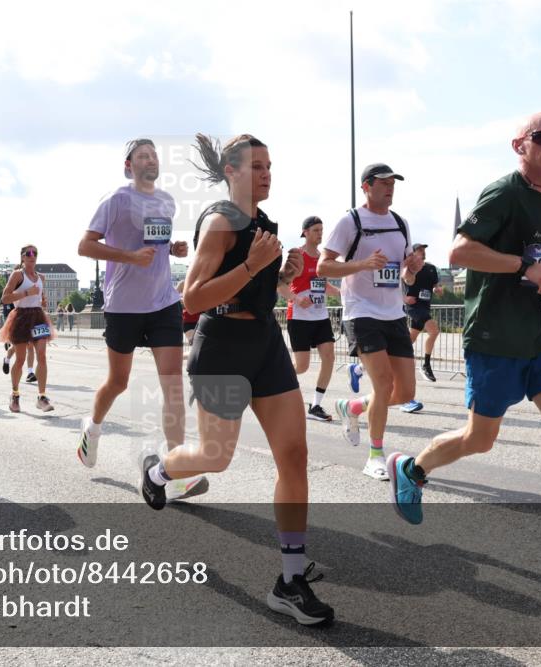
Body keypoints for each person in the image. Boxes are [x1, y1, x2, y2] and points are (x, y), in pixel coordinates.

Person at [387, 112, 541, 588]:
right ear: (519, 145)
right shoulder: (504, 192)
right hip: (495, 339)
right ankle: (413, 468)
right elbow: (460, 253)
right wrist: (525, 266)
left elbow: (530, 270)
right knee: (480, 439)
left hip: (537, 338)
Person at [140, 133, 333, 626]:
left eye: (271, 166)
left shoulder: (263, 222)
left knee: (294, 454)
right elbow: (193, 298)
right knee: (215, 458)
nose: (267, 174)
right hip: (222, 348)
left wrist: (283, 274)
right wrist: (253, 265)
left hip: (265, 344)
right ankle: (158, 472)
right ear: (231, 171)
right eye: (258, 167)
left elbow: (258, 289)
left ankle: (290, 579)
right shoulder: (222, 222)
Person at [76, 138, 207, 501]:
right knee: (118, 382)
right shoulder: (115, 200)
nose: (150, 159)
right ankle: (93, 426)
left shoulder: (166, 201)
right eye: (142, 156)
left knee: (173, 386)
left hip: (164, 302)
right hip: (123, 306)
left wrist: (175, 248)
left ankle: (175, 469)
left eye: (154, 155)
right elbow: (85, 246)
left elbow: (158, 244)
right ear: (128, 166)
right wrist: (129, 257)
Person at [318, 163, 423, 481]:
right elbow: (324, 267)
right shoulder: (350, 221)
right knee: (383, 384)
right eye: (383, 183)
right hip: (361, 312)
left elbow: (405, 273)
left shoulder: (400, 223)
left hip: (394, 315)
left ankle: (352, 408)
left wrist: (413, 268)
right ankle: (375, 456)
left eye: (393, 183)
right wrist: (363, 264)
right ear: (366, 186)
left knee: (404, 393)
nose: (390, 188)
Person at [282, 216, 342, 422]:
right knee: (302, 366)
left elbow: (323, 285)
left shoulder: (323, 258)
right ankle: (272, 379)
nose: (320, 234)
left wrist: (343, 293)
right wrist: (296, 299)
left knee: (329, 356)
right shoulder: (297, 255)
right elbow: (280, 285)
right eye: (316, 230)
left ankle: (315, 405)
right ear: (305, 232)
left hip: (320, 316)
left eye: (321, 230)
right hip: (299, 316)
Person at [0, 245, 55, 413]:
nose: (32, 256)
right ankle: (15, 394)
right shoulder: (18, 275)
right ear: (22, 257)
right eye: (28, 253)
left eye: (35, 253)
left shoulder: (41, 277)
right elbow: (4, 298)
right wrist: (26, 294)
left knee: (42, 356)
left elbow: (40, 296)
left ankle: (42, 397)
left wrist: (42, 300)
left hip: (38, 317)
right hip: (21, 317)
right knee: (21, 359)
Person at [403, 243, 442, 389]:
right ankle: (426, 365)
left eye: (424, 250)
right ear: (413, 253)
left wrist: (437, 288)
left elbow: (435, 284)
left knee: (409, 340)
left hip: (425, 307)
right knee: (434, 330)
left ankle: (389, 356)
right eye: (420, 250)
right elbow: (396, 285)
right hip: (413, 307)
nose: (423, 252)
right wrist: (403, 299)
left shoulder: (431, 268)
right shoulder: (409, 268)